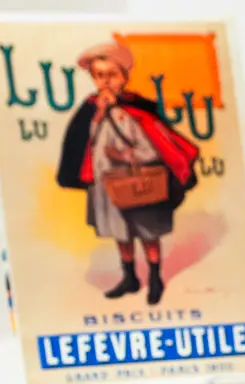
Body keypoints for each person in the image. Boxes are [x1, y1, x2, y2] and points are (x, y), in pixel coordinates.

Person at [54, 40, 201, 305]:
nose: (105, 81)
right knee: (120, 232)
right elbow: (82, 143)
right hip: (106, 184)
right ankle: (129, 277)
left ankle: (155, 279)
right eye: (99, 75)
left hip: (139, 182)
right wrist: (99, 114)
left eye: (112, 74)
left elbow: (155, 149)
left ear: (124, 77)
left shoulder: (137, 109)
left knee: (147, 232)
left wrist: (124, 156)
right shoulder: (91, 109)